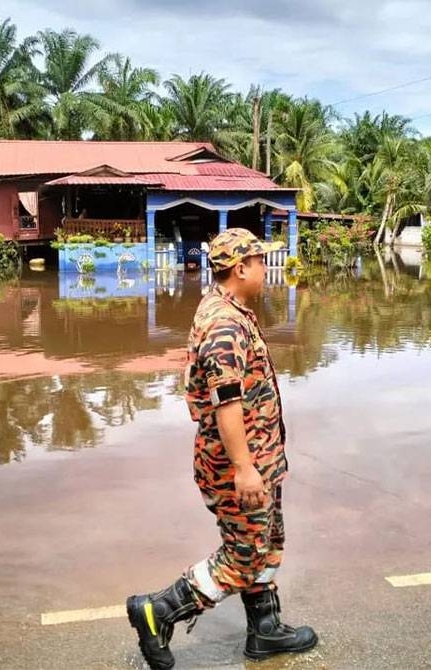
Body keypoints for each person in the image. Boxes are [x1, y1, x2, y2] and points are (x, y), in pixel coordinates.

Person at [126, 228, 318, 669]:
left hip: (261, 458)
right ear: (240, 268)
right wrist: (244, 468)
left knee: (267, 544)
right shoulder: (224, 324)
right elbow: (226, 401)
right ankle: (158, 610)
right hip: (240, 465)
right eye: (258, 261)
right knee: (243, 558)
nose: (265, 270)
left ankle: (265, 630)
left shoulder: (232, 310)